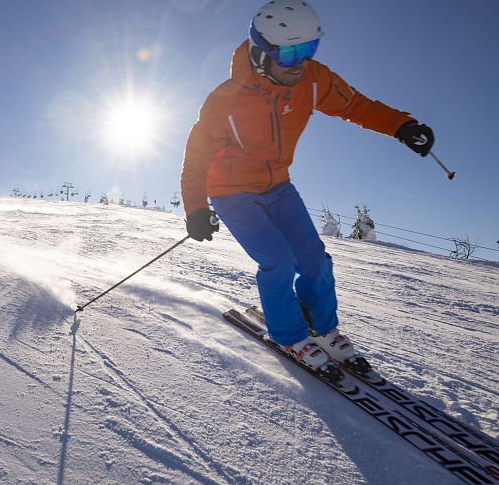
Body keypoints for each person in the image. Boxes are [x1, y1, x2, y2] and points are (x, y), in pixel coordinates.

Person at [180, 0, 434, 378]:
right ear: (262, 49)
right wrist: (196, 208)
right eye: (290, 52)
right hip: (232, 191)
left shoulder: (314, 80)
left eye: (308, 49)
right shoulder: (224, 100)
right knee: (278, 261)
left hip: (279, 186)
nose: (300, 62)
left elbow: (358, 106)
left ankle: (323, 327)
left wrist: (401, 125)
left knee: (314, 259)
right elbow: (197, 156)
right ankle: (289, 335)